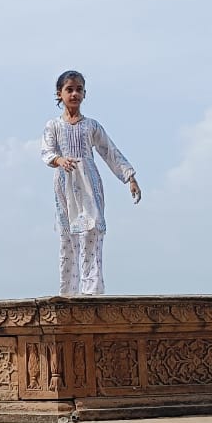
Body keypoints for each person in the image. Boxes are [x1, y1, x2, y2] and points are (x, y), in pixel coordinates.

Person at [42, 70, 141, 296]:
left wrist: (130, 177)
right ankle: (68, 292)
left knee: (92, 231)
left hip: (89, 183)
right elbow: (46, 152)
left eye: (79, 90)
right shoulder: (53, 126)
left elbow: (109, 151)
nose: (74, 94)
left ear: (85, 93)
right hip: (65, 184)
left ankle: (91, 291)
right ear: (59, 94)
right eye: (69, 90)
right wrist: (59, 160)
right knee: (68, 236)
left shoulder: (91, 126)